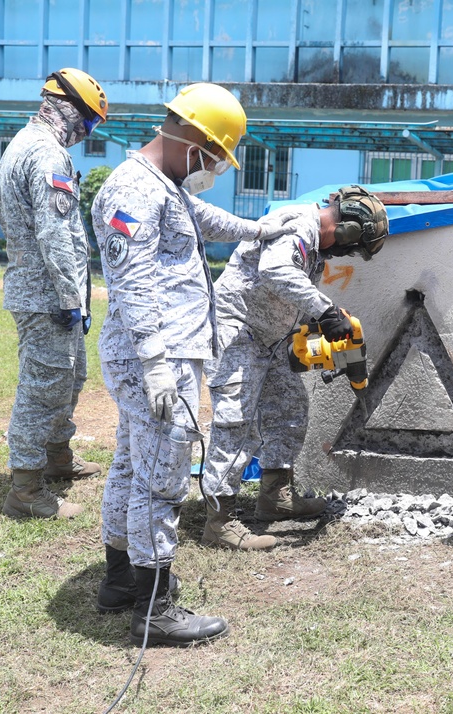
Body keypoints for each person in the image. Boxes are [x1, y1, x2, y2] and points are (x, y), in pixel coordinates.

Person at [92, 83, 292, 646]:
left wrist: (259, 230)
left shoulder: (164, 186)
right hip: (157, 358)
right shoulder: (132, 190)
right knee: (162, 481)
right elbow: (132, 284)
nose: (217, 169)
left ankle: (118, 583)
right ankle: (153, 610)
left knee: (132, 467)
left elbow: (202, 217)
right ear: (196, 140)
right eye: (218, 157)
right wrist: (156, 362)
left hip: (163, 353)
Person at [198, 185, 389, 551]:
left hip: (271, 338)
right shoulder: (299, 227)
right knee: (235, 422)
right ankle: (218, 521)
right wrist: (327, 312)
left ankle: (275, 495)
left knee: (289, 409)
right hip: (238, 330)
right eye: (352, 246)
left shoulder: (315, 248)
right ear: (348, 230)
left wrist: (313, 330)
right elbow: (275, 271)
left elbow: (291, 293)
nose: (346, 254)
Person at [0, 68, 109, 520]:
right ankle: (25, 489)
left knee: (70, 375)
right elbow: (56, 235)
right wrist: (70, 298)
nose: (88, 132)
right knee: (43, 387)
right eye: (91, 122)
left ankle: (58, 455)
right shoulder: (46, 155)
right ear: (71, 111)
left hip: (42, 291)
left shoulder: (24, 145)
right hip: (46, 295)